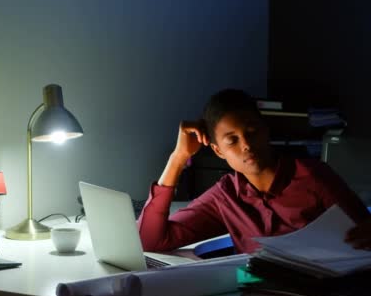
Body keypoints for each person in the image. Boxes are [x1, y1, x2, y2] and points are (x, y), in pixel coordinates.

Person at [137, 88, 371, 254]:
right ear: (219, 151)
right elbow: (151, 240)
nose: (246, 145)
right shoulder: (225, 195)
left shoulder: (314, 177)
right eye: (232, 140)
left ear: (266, 131)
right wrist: (178, 158)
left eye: (252, 132)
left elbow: (364, 234)